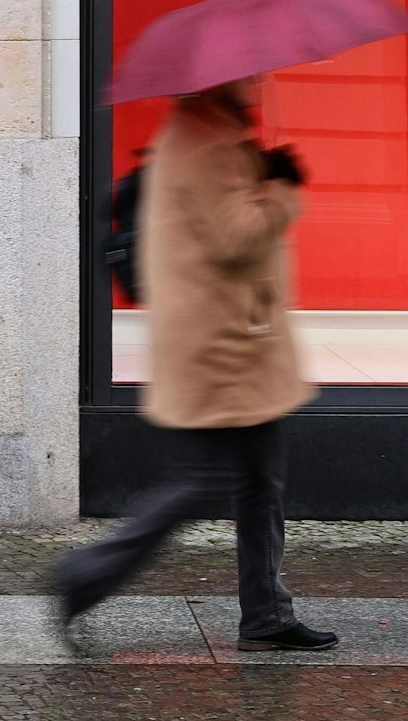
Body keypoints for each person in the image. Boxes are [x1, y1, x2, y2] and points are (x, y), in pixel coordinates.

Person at [53, 78, 337, 653]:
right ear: (222, 79)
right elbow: (237, 237)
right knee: (206, 483)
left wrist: (258, 171)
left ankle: (266, 615)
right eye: (249, 76)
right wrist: (280, 188)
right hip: (223, 349)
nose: (258, 83)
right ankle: (87, 575)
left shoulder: (209, 133)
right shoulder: (206, 142)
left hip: (234, 342)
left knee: (259, 483)